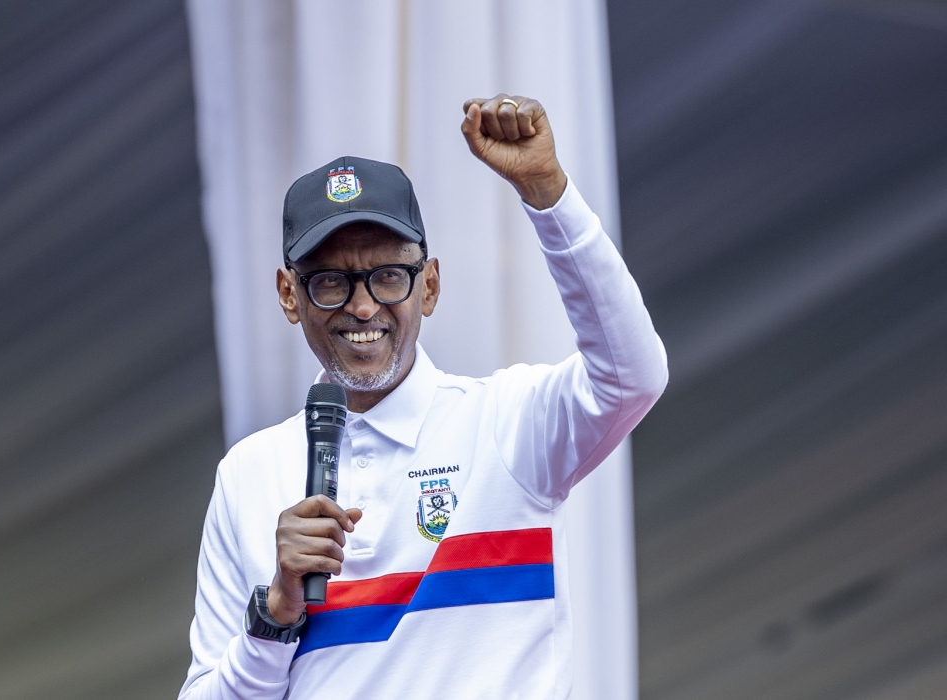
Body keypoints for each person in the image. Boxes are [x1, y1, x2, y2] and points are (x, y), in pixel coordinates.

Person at [179, 94, 668, 699]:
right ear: (288, 295)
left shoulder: (506, 422)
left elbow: (633, 375)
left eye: (389, 275)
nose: (363, 306)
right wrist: (275, 613)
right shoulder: (249, 475)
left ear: (429, 285)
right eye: (330, 281)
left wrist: (547, 191)